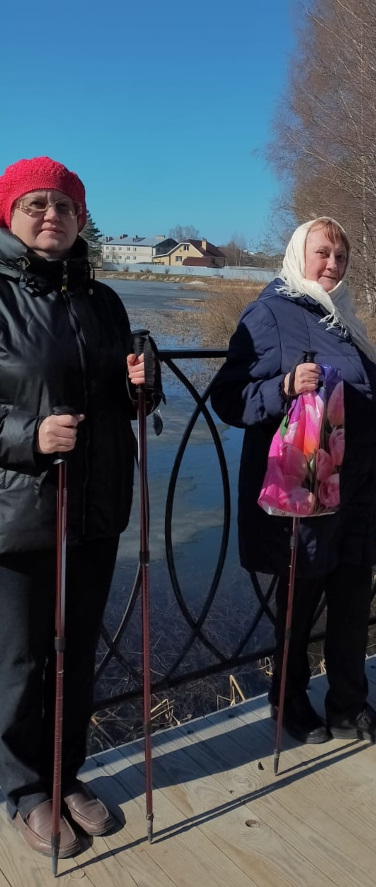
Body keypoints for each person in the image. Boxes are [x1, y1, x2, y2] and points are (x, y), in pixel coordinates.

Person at [0, 157, 156, 857]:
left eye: (63, 207)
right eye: (35, 205)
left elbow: (126, 403)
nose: (50, 217)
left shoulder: (103, 299)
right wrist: (28, 437)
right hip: (21, 509)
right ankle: (25, 787)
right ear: (9, 213)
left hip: (94, 505)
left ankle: (67, 773)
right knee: (22, 657)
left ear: (80, 219)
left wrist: (139, 387)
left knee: (78, 650)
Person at [211, 217, 376, 745]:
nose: (332, 264)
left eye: (340, 257)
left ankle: (350, 705)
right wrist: (280, 386)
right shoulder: (268, 313)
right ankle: (288, 700)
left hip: (356, 487)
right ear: (299, 254)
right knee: (300, 601)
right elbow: (228, 397)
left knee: (351, 599)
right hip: (305, 489)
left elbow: (355, 405)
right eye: (322, 253)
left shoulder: (343, 317)